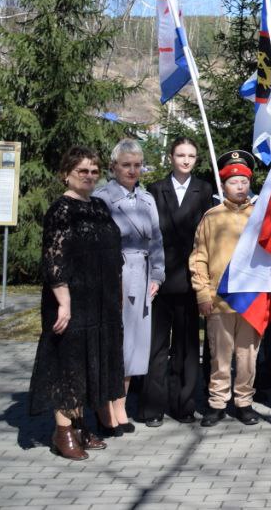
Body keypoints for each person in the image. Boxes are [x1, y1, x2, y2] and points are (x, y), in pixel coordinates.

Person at [28, 146, 123, 460]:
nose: (89, 176)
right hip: (69, 299)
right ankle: (63, 430)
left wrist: (116, 292)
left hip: (101, 300)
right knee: (68, 364)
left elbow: (112, 254)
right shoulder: (60, 209)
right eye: (82, 171)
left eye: (94, 171)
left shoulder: (98, 206)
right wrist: (64, 303)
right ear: (66, 173)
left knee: (90, 361)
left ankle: (81, 424)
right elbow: (54, 260)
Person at [141, 137, 214, 427]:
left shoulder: (205, 189)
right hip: (160, 279)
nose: (186, 160)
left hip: (190, 278)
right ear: (170, 157)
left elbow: (208, 234)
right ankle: (152, 408)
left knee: (186, 347)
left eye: (191, 156)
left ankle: (183, 404)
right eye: (181, 155)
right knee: (157, 346)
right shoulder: (155, 190)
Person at [93, 139, 163, 434]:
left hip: (142, 275)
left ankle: (120, 404)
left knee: (135, 344)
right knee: (113, 343)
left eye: (137, 165)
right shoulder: (101, 198)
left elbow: (157, 240)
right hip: (113, 274)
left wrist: (158, 275)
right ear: (113, 167)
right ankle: (104, 405)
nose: (132, 170)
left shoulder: (147, 199)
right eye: (126, 165)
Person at [190, 150, 264, 427]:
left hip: (250, 298)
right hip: (219, 298)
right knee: (220, 356)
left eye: (244, 182)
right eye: (234, 182)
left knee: (247, 356)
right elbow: (199, 257)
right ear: (224, 186)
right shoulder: (211, 217)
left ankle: (244, 402)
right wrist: (203, 293)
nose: (240, 186)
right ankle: (217, 403)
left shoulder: (259, 217)